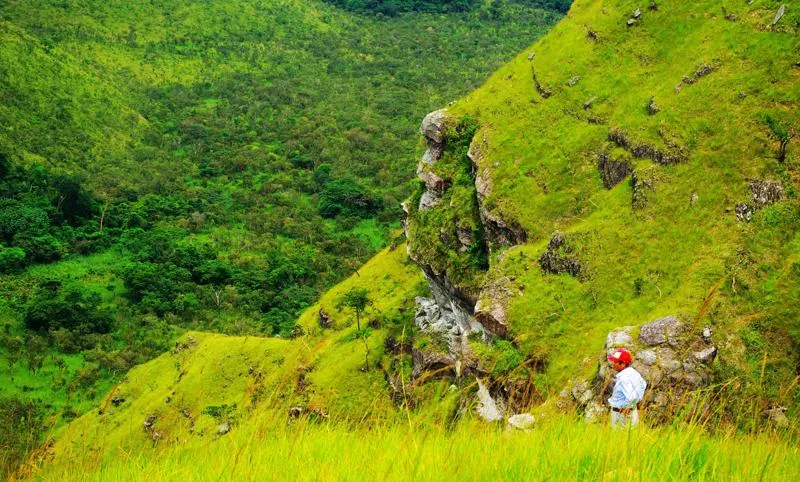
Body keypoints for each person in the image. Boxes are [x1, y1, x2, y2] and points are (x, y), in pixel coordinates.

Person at [607, 348, 647, 428]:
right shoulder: (634, 373)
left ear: (623, 364)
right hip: (631, 412)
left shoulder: (623, 378)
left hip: (621, 414)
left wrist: (628, 407)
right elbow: (644, 385)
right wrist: (633, 405)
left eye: (615, 362)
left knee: (618, 439)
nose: (613, 364)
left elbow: (631, 397)